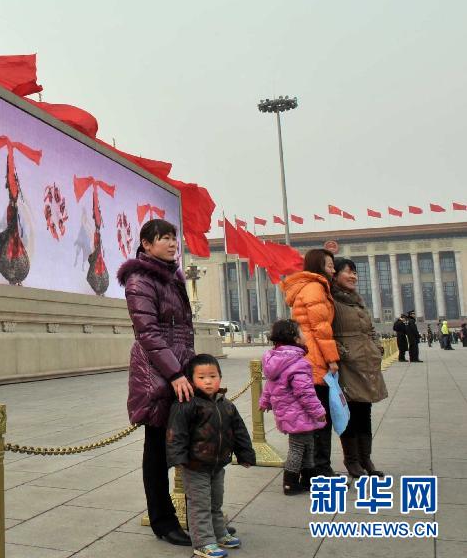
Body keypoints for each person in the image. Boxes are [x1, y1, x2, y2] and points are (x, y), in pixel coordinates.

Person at [117, 219, 195, 546]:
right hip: (157, 372)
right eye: (164, 238)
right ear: (146, 245)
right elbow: (148, 333)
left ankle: (202, 515)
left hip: (180, 367)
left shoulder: (172, 276)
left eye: (174, 237)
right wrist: (175, 373)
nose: (172, 243)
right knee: (157, 448)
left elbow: (182, 329)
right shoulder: (140, 279)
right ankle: (162, 520)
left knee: (182, 442)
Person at [166, 354, 256, 558]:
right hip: (195, 465)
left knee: (215, 501)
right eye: (202, 377)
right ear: (191, 381)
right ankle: (203, 542)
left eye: (213, 376)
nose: (208, 381)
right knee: (200, 505)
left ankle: (218, 532)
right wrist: (178, 459)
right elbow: (175, 434)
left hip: (217, 465)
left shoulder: (226, 404)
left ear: (220, 377)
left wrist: (245, 454)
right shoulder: (186, 404)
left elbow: (239, 431)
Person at [281, 248, 339, 477]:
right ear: (318, 266)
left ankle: (310, 471)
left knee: (312, 419)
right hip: (315, 360)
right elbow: (321, 329)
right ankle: (321, 470)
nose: (333, 270)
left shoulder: (308, 287)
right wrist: (332, 360)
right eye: (329, 265)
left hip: (307, 358)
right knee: (321, 418)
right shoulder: (315, 287)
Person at [331, 258, 389, 478]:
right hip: (347, 365)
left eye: (355, 272)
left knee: (365, 411)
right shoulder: (331, 301)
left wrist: (377, 347)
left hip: (366, 361)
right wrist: (342, 352)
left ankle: (366, 458)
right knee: (350, 412)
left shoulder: (357, 301)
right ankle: (352, 460)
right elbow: (324, 332)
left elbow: (370, 329)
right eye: (348, 272)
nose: (353, 276)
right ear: (335, 275)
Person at [259, 320, 327, 495]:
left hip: (287, 412)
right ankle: (290, 483)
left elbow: (270, 384)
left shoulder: (275, 360)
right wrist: (319, 412)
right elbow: (305, 393)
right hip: (299, 413)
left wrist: (265, 401)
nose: (305, 335)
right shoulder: (298, 363)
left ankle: (307, 479)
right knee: (298, 448)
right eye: (301, 332)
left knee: (307, 446)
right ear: (295, 338)